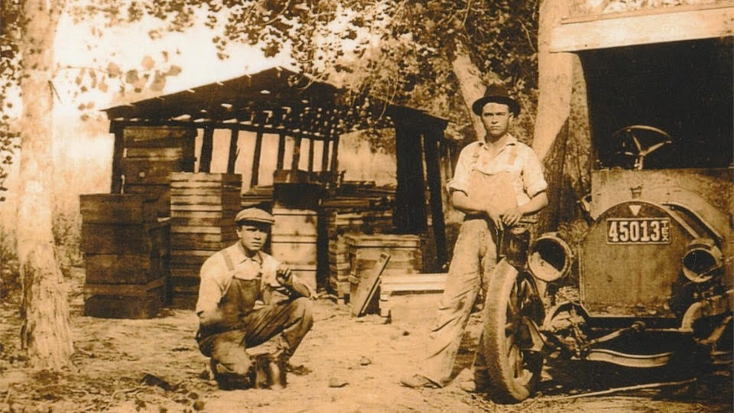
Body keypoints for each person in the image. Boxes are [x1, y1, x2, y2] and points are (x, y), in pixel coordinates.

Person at [400, 84, 548, 391]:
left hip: (509, 238)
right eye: (487, 114)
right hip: (472, 233)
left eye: (500, 114)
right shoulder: (471, 152)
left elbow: (541, 198)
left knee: (500, 309)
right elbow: (457, 197)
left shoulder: (523, 154)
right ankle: (433, 372)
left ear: (512, 117)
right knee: (453, 300)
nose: (493, 119)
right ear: (480, 117)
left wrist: (519, 210)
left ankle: (485, 375)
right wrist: (485, 206)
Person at [195, 207, 314, 389]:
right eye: (251, 230)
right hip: (218, 334)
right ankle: (217, 365)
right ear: (238, 232)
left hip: (247, 325)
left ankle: (276, 359)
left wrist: (289, 283)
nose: (258, 236)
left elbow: (308, 295)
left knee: (303, 306)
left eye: (263, 231)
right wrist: (231, 318)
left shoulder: (266, 262)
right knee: (240, 374)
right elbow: (205, 317)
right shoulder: (218, 265)